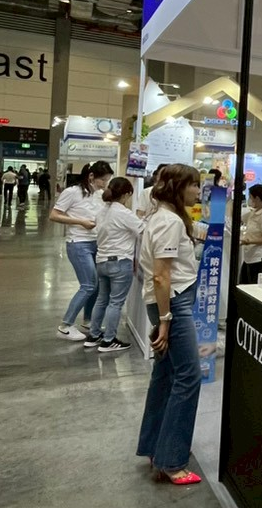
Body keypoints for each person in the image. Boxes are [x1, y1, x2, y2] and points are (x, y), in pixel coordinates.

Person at [137, 163, 203, 486]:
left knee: (165, 375)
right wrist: (165, 321)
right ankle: (172, 461)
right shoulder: (169, 222)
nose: (198, 191)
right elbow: (161, 276)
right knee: (189, 376)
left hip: (170, 303)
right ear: (178, 187)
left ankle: (156, 447)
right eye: (193, 185)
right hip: (173, 305)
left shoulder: (164, 218)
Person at [49, 163, 109, 340]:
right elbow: (54, 215)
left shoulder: (99, 195)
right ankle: (65, 326)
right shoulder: (72, 192)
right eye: (103, 180)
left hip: (96, 243)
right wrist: (80, 222)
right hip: (78, 243)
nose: (105, 183)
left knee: (96, 285)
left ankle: (88, 320)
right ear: (91, 177)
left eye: (107, 180)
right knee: (88, 285)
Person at [85, 175, 142, 353]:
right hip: (119, 262)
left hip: (102, 261)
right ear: (125, 194)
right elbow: (144, 231)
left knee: (102, 300)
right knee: (115, 303)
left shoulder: (102, 211)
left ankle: (94, 335)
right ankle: (109, 340)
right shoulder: (123, 213)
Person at [238, 183, 262, 284]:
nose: (249, 200)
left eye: (250, 197)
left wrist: (249, 241)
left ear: (257, 198)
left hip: (258, 258)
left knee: (252, 285)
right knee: (243, 284)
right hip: (249, 257)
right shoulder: (254, 212)